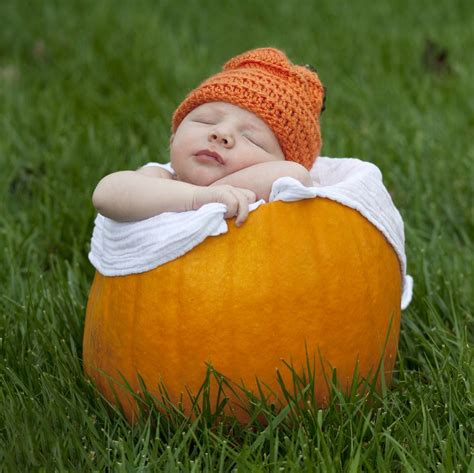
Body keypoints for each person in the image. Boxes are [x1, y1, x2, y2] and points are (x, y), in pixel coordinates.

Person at [92, 47, 325, 226]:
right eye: (206, 121)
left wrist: (220, 192)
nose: (221, 133)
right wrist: (198, 198)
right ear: (173, 139)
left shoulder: (279, 193)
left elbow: (295, 174)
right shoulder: (162, 179)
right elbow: (106, 194)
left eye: (251, 138)